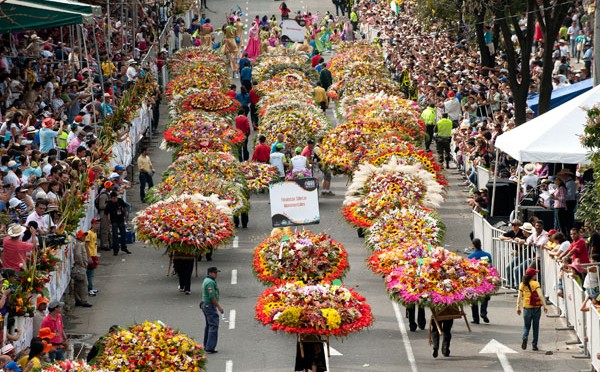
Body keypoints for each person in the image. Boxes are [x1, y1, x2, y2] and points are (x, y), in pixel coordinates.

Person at [516, 267, 548, 351]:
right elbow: (540, 295)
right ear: (532, 275)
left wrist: (518, 307)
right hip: (536, 308)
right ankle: (534, 345)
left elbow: (519, 296)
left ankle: (525, 336)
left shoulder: (522, 284)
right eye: (535, 274)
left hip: (526, 307)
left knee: (526, 326)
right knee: (535, 327)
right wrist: (545, 306)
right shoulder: (536, 283)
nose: (536, 275)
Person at [200, 267, 224, 354]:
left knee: (209, 325)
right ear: (210, 273)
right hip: (209, 305)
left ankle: (206, 345)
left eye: (216, 272)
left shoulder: (207, 280)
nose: (216, 274)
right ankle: (210, 347)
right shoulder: (210, 282)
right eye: (214, 273)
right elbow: (212, 296)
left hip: (205, 305)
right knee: (213, 325)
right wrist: (218, 307)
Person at [468, 239, 492, 324]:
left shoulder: (471, 256)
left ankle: (476, 318)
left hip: (475, 280)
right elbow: (490, 266)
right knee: (485, 297)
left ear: (473, 245)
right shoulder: (487, 255)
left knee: (474, 298)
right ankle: (483, 312)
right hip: (485, 278)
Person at [104, 191, 131, 256]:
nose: (115, 199)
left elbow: (125, 207)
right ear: (111, 198)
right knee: (115, 236)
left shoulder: (120, 201)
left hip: (121, 219)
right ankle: (115, 250)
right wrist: (108, 222)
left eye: (115, 198)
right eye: (113, 198)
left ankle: (124, 247)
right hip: (114, 221)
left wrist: (125, 215)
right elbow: (106, 214)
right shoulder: (109, 204)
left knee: (123, 234)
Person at [73, 230, 92, 307]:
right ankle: (84, 301)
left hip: (79, 267)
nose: (84, 237)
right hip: (80, 267)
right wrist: (82, 264)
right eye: (83, 236)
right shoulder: (79, 245)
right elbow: (78, 255)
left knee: (78, 284)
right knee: (84, 284)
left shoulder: (79, 244)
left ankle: (78, 300)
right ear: (80, 237)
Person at [86, 218, 100, 296]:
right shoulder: (89, 233)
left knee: (91, 273)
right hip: (91, 255)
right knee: (89, 273)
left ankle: (91, 288)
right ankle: (89, 289)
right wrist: (89, 256)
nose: (97, 225)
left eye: (98, 223)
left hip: (94, 255)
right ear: (92, 224)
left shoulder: (94, 233)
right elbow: (86, 245)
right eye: (95, 223)